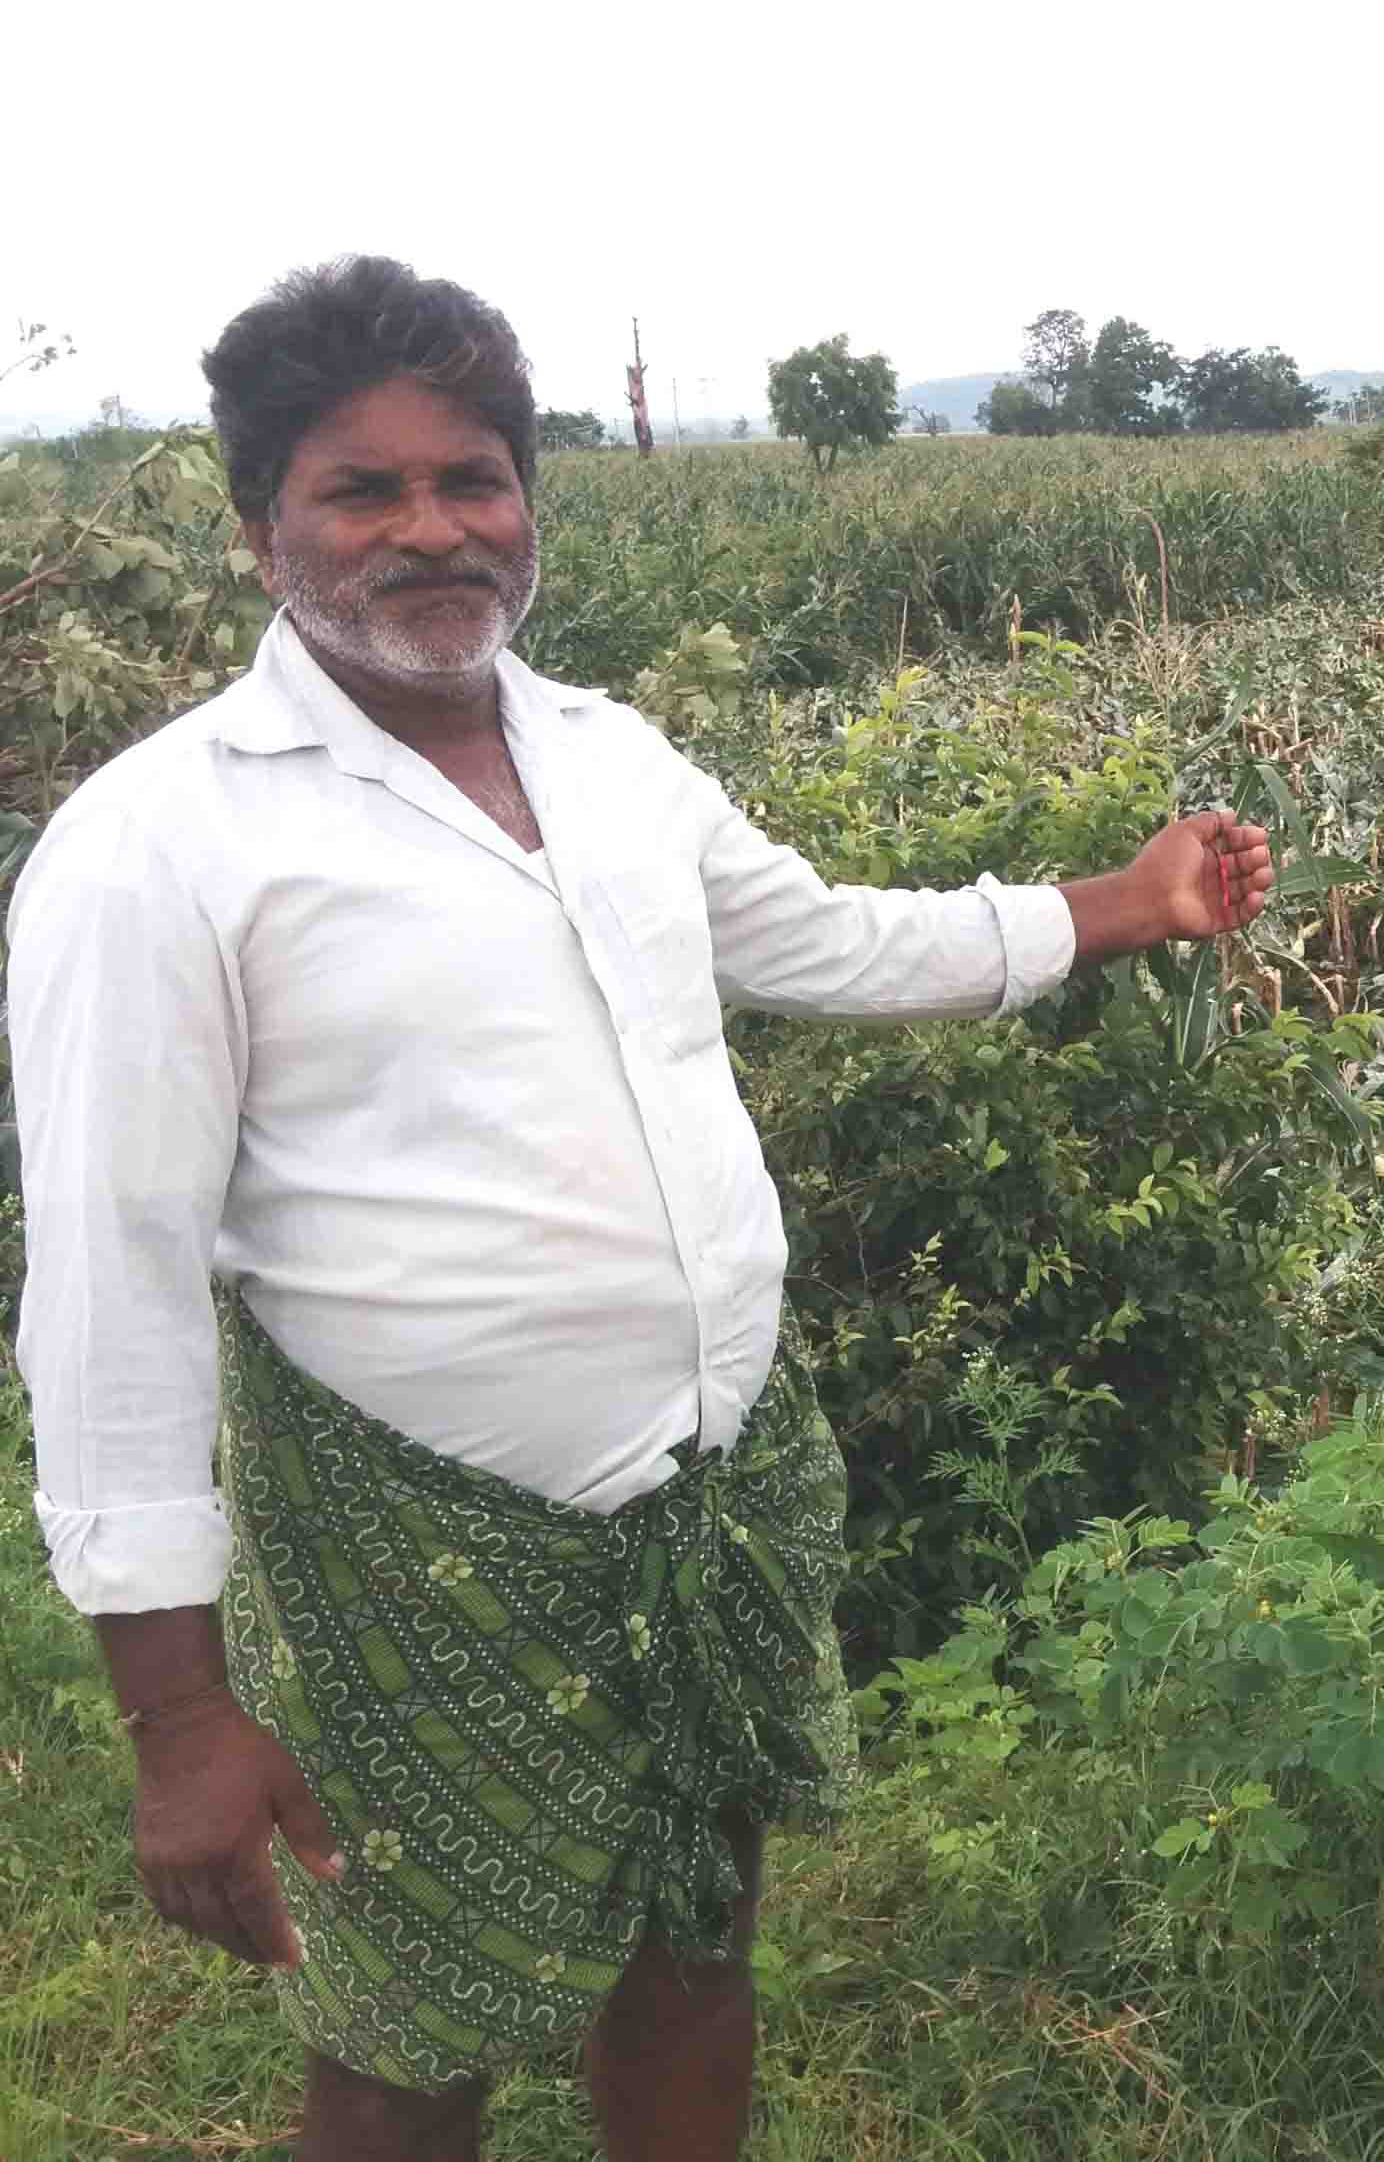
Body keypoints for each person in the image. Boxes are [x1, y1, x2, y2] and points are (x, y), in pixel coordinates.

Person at [5, 255, 1272, 2161]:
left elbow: (826, 940)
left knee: (692, 1936)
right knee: (411, 2027)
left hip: (713, 1492)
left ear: (529, 496)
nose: (436, 528)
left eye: (477, 479)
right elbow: (112, 1282)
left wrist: (1114, 902)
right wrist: (179, 1724)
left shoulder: (607, 757)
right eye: (365, 490)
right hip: (409, 1545)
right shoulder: (159, 846)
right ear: (258, 516)